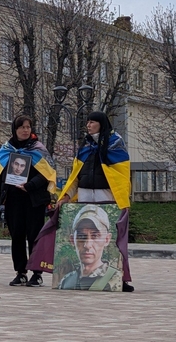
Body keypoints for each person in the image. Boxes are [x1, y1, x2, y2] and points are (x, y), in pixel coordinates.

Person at [57, 110, 133, 292]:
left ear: (102, 123)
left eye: (92, 122)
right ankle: (81, 278)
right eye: (88, 122)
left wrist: (120, 200)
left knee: (111, 239)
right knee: (84, 236)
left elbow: (121, 175)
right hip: (84, 195)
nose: (88, 125)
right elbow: (76, 175)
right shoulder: (85, 145)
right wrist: (67, 195)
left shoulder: (115, 143)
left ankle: (119, 279)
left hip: (106, 196)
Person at [0, 115, 56, 287]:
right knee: (17, 236)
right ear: (15, 130)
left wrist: (30, 185)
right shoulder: (6, 150)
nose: (26, 130)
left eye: (28, 127)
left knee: (34, 236)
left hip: (34, 199)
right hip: (13, 199)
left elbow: (47, 173)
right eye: (22, 127)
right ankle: (20, 272)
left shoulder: (38, 149)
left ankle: (37, 273)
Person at [57, 204, 123, 291]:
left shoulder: (116, 280)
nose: (87, 245)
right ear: (72, 240)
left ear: (107, 239)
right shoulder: (66, 281)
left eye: (95, 236)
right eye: (81, 236)